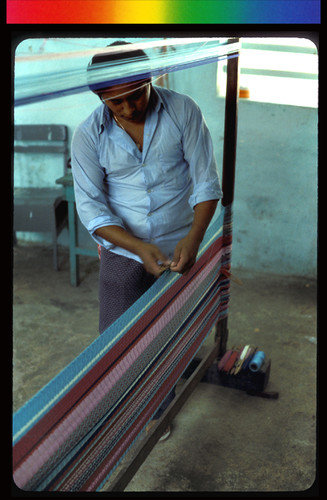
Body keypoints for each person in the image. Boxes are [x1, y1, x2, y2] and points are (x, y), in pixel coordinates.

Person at [71, 41, 223, 440]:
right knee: (118, 338)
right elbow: (92, 210)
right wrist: (138, 248)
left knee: (167, 332)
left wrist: (194, 237)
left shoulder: (182, 111)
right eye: (114, 102)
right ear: (101, 98)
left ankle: (157, 410)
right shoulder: (88, 136)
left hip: (179, 244)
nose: (128, 108)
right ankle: (118, 409)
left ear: (149, 79)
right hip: (124, 248)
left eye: (135, 95)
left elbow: (206, 184)